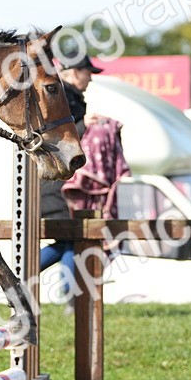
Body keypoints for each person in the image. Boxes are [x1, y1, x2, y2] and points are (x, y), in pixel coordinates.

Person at [39, 54, 130, 300]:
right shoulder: (62, 96)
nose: (90, 78)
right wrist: (83, 124)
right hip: (55, 184)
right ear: (74, 72)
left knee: (68, 241)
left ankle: (21, 278)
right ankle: (67, 294)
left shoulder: (71, 96)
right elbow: (54, 138)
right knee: (72, 240)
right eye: (88, 72)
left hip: (59, 182)